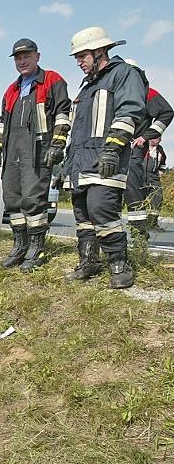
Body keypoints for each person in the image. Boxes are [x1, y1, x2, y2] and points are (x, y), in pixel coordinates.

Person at [63, 26, 146, 289]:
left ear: (99, 51)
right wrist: (66, 165)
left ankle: (119, 265)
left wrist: (112, 149)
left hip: (105, 159)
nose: (79, 62)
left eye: (82, 56)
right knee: (83, 215)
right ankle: (89, 261)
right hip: (80, 161)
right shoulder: (87, 86)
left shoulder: (123, 74)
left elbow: (129, 112)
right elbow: (78, 129)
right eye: (76, 57)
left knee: (103, 211)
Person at [0, 39, 72, 272]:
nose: (22, 61)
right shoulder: (11, 89)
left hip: (38, 150)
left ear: (38, 56)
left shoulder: (52, 80)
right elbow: (2, 123)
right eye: (18, 58)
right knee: (13, 200)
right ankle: (20, 246)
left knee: (33, 200)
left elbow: (62, 114)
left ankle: (37, 248)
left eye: (26, 56)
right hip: (12, 150)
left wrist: (57, 144)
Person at [122, 59, 173, 238]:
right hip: (112, 149)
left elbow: (167, 112)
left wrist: (145, 136)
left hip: (134, 152)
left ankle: (139, 234)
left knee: (133, 189)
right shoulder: (115, 92)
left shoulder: (148, 94)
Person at [147, 137, 167, 230]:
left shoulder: (160, 149)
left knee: (157, 198)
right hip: (140, 177)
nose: (158, 141)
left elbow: (163, 163)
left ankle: (152, 223)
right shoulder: (142, 147)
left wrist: (161, 172)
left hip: (154, 178)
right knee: (137, 198)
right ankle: (137, 224)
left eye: (159, 139)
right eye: (156, 138)